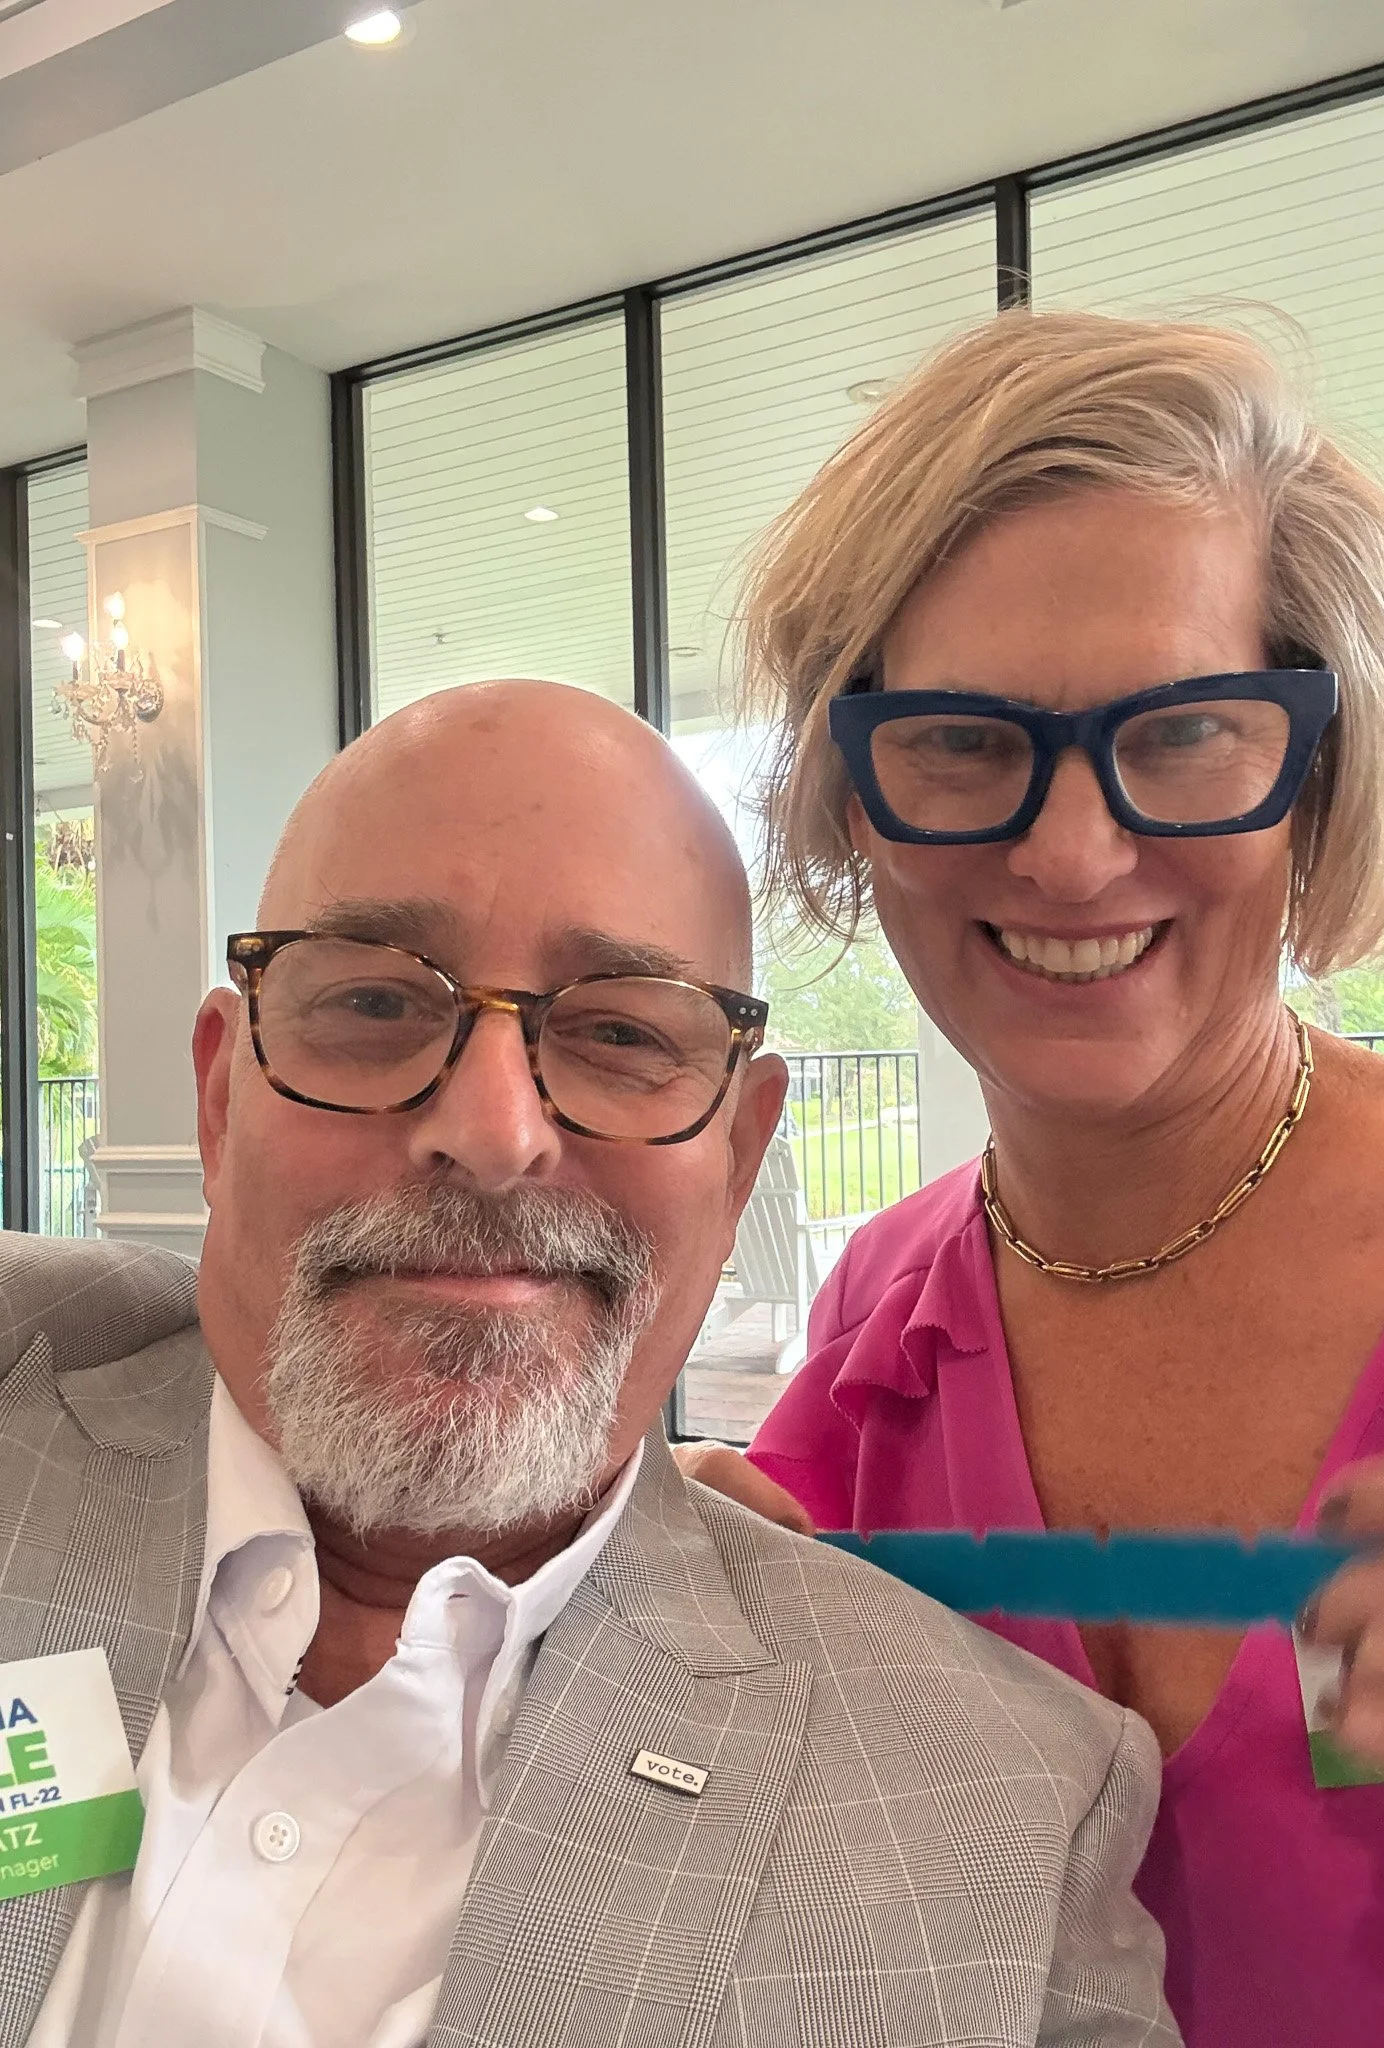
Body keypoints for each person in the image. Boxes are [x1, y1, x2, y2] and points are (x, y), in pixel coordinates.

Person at [3, 680, 1177, 2048]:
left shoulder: (995, 1820)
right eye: (377, 1003)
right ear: (219, 1101)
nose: (492, 1134)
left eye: (622, 1033)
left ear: (738, 1157)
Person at [678, 309, 1384, 2047]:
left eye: (1192, 732)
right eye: (962, 741)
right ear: (857, 799)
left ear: (1322, 766)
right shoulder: (868, 1351)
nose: (1072, 852)